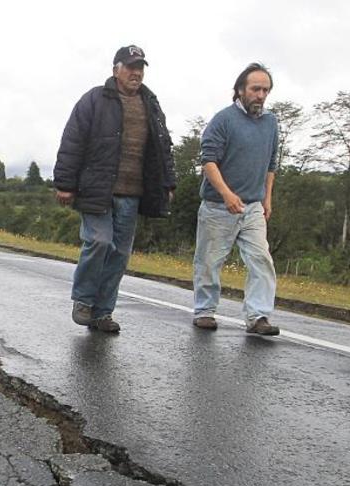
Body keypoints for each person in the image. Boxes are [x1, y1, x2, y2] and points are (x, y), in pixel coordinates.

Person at [54, 45, 176, 333]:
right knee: (99, 241)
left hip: (133, 193)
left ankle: (103, 312)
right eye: (130, 67)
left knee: (119, 254)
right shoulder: (95, 99)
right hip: (97, 188)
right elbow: (72, 140)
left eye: (140, 68)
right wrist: (65, 184)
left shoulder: (151, 103)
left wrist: (168, 182)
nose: (136, 73)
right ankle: (84, 300)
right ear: (115, 70)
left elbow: (163, 147)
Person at [192, 63, 281, 335]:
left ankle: (258, 316)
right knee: (209, 261)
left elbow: (271, 164)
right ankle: (205, 311)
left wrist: (267, 199)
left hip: (253, 207)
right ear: (241, 89)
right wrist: (226, 194)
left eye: (265, 90)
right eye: (256, 89)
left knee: (261, 259)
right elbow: (208, 161)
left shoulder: (271, 123)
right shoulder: (223, 120)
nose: (261, 95)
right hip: (218, 206)